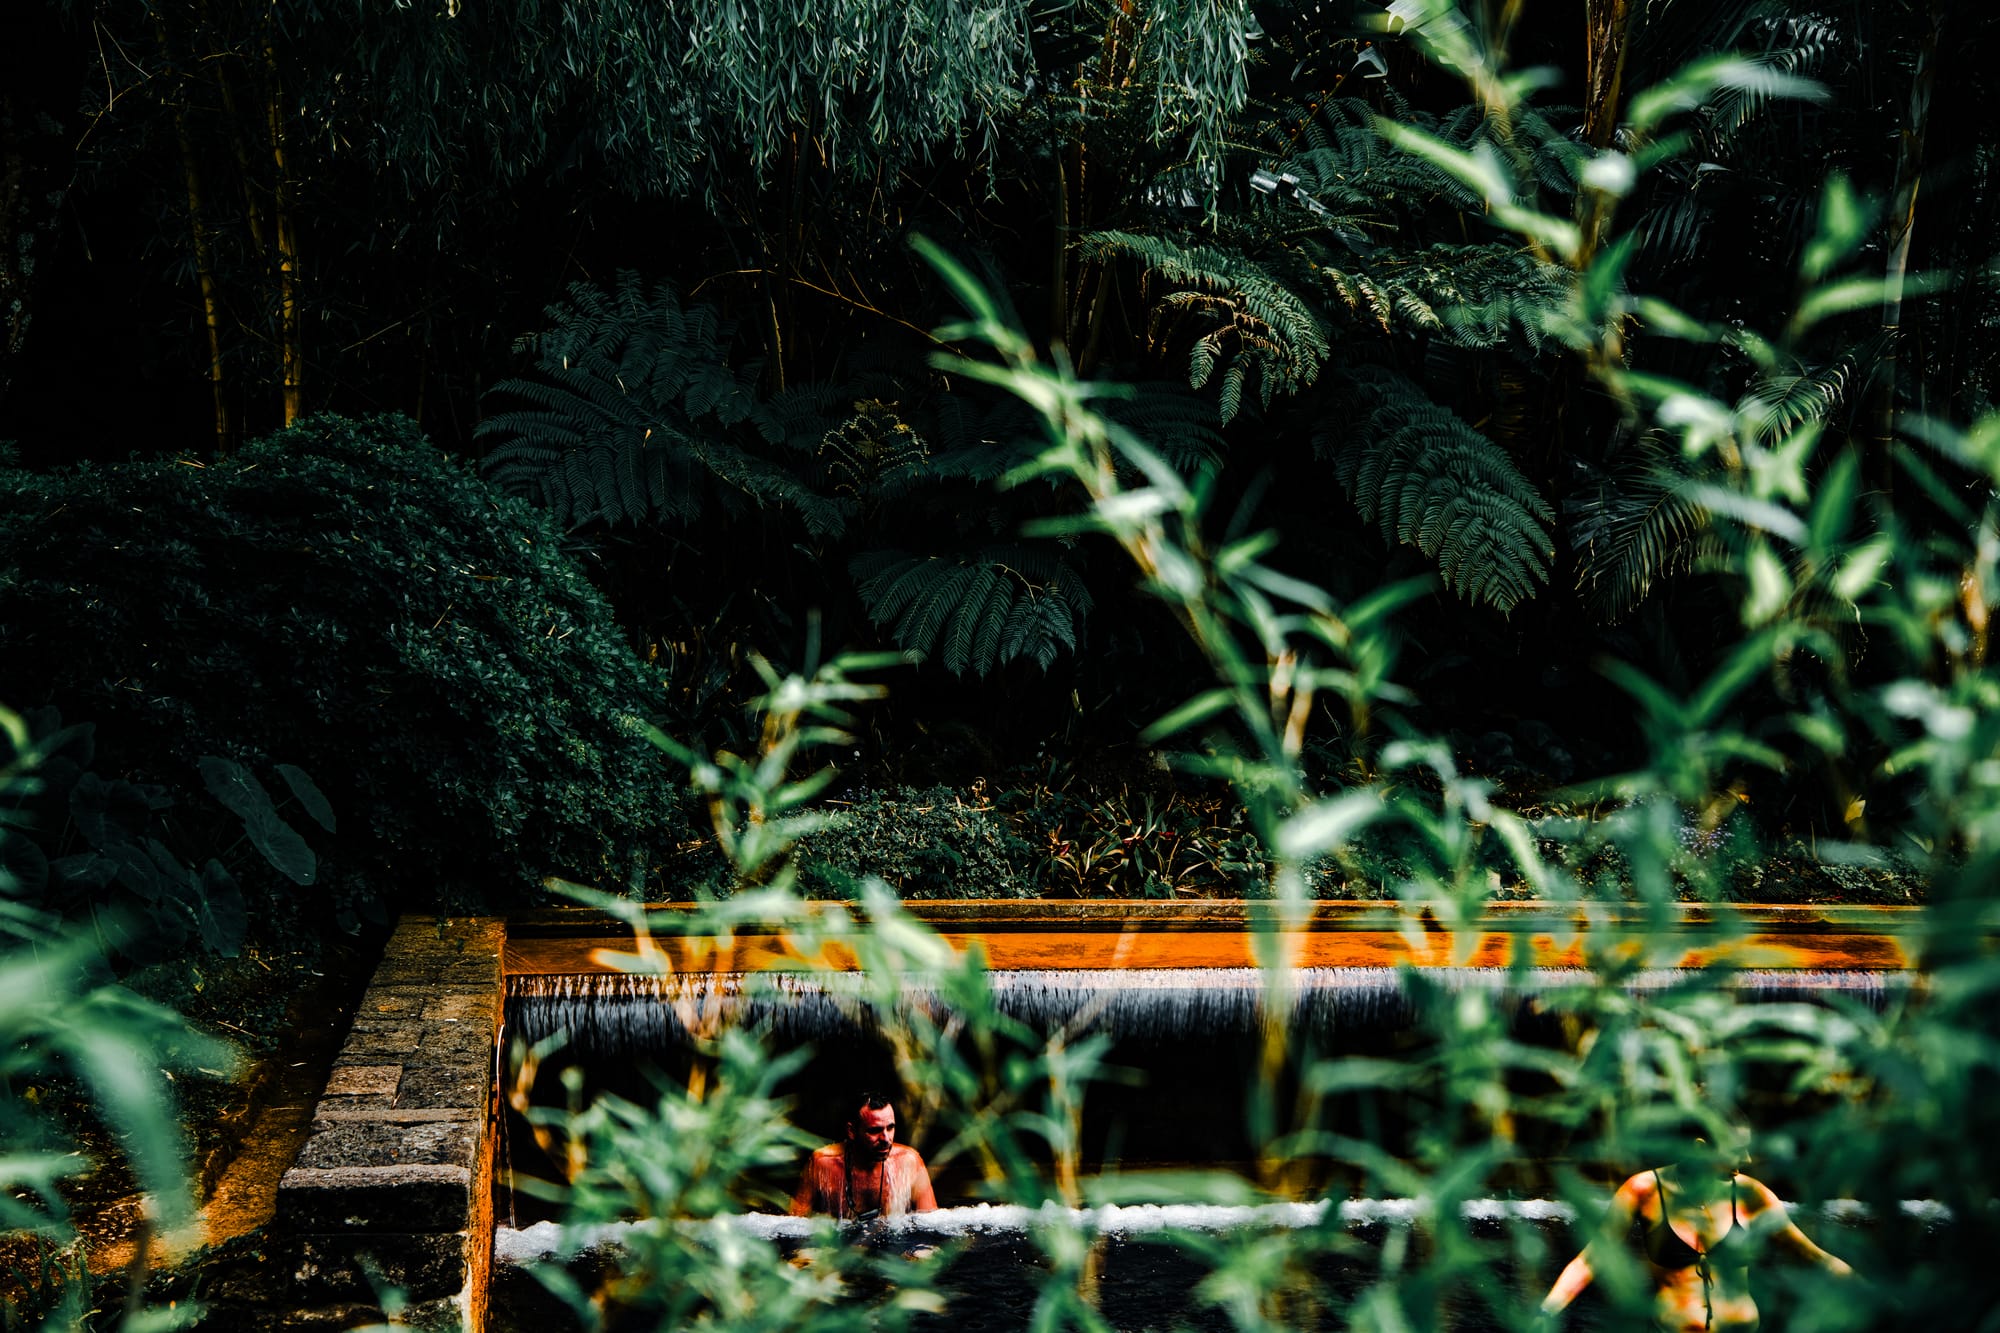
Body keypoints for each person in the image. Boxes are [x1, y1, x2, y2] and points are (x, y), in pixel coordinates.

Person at [1540, 1140, 1852, 1331]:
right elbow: (1591, 1261)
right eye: (1736, 1149)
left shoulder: (1749, 1195)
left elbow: (1813, 1257)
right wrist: (1546, 1313)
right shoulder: (1645, 1190)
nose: (1747, 1159)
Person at [790, 1090, 938, 1221]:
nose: (886, 1139)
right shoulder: (823, 1163)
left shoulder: (908, 1161)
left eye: (890, 1127)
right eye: (875, 1130)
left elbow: (931, 1223)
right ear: (852, 1131)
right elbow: (795, 1224)